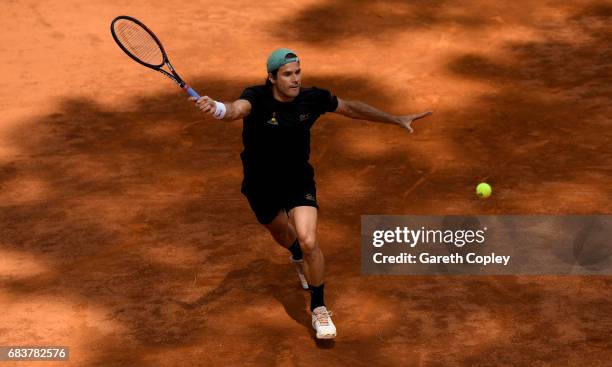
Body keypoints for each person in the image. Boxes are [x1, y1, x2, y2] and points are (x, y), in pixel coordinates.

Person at [190, 48, 431, 339]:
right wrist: (216, 107)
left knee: (308, 239)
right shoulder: (255, 97)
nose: (295, 80)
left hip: (297, 180)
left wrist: (395, 118)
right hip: (260, 184)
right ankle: (296, 257)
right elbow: (234, 110)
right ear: (272, 78)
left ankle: (319, 308)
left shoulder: (312, 98)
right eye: (287, 74)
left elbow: (351, 108)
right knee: (282, 235)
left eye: (298, 72)